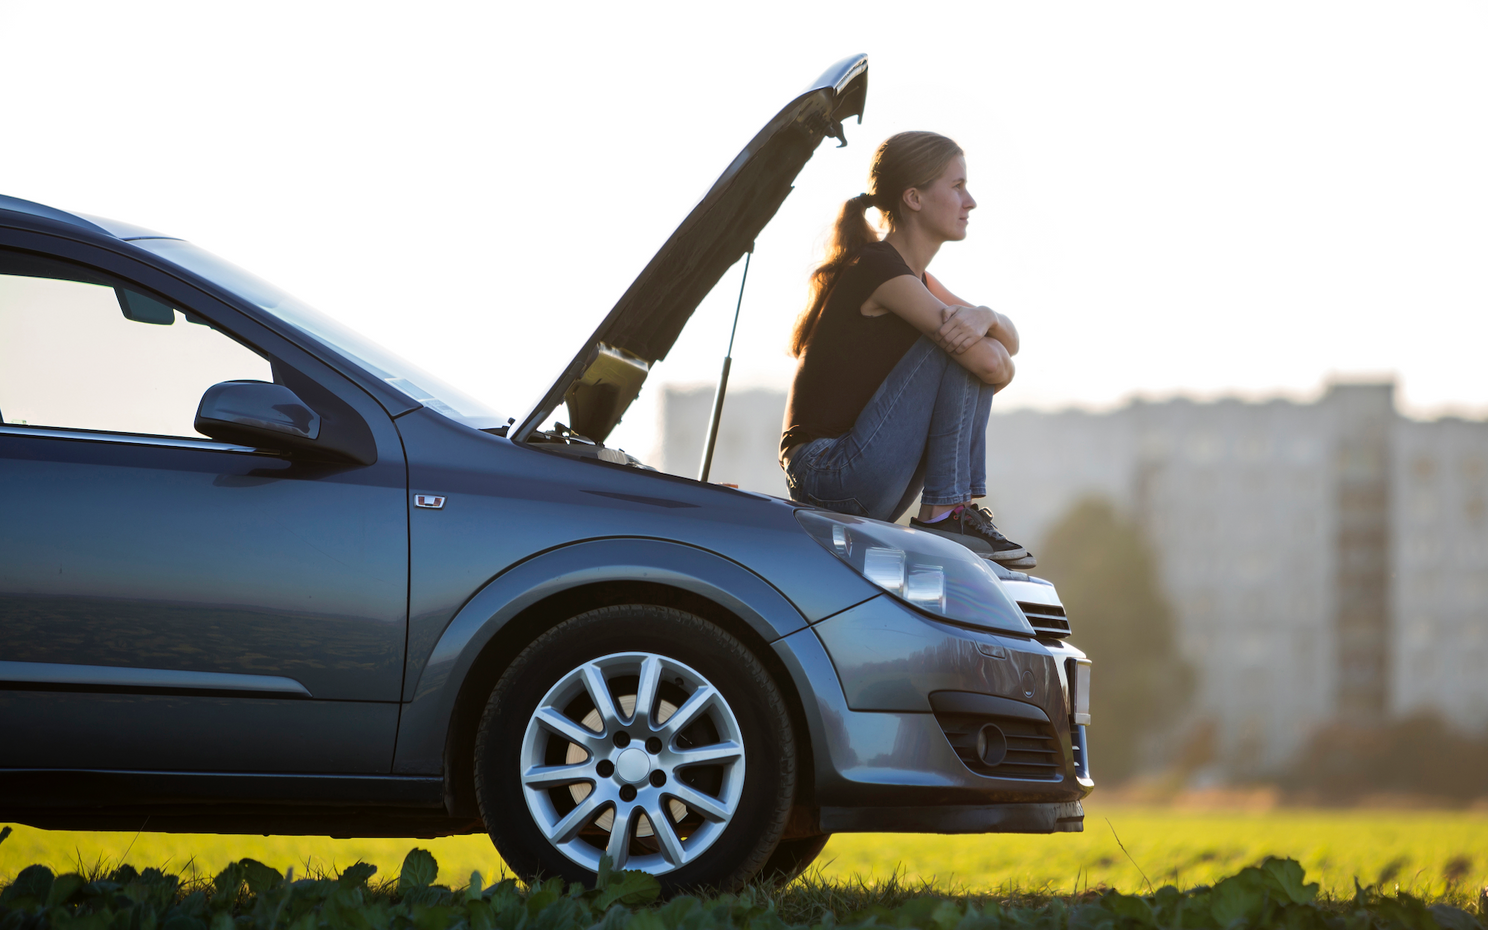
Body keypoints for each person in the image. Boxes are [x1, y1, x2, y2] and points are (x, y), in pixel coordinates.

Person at [779, 130, 1034, 568]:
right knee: (954, 347)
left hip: (861, 471)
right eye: (957, 187)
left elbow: (1008, 344)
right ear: (914, 198)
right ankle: (944, 513)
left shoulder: (915, 280)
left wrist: (987, 316)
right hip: (828, 472)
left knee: (960, 340)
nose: (969, 201)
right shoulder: (879, 269)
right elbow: (991, 361)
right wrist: (983, 334)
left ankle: (950, 510)